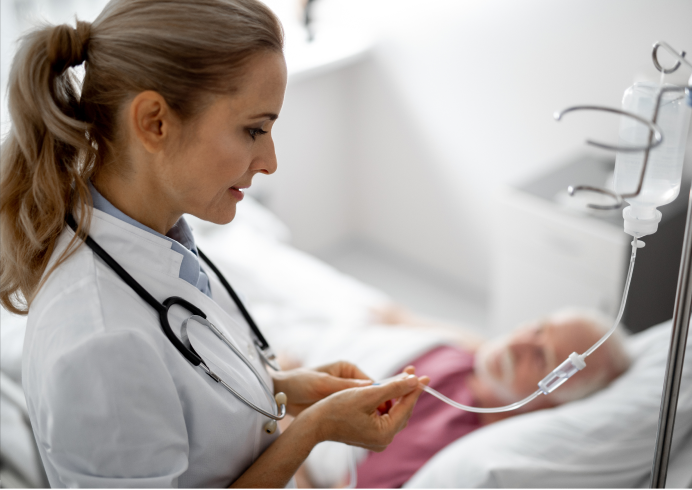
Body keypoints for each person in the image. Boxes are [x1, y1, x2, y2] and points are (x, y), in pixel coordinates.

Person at [0, 1, 429, 488]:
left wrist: (284, 388)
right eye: (253, 130)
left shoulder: (159, 240)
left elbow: (188, 399)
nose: (269, 160)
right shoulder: (101, 345)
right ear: (154, 122)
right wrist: (315, 429)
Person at [292, 307, 631, 489]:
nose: (520, 342)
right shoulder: (476, 356)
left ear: (555, 400)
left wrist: (286, 416)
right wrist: (405, 319)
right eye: (538, 328)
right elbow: (398, 315)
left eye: (543, 357)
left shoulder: (444, 442)